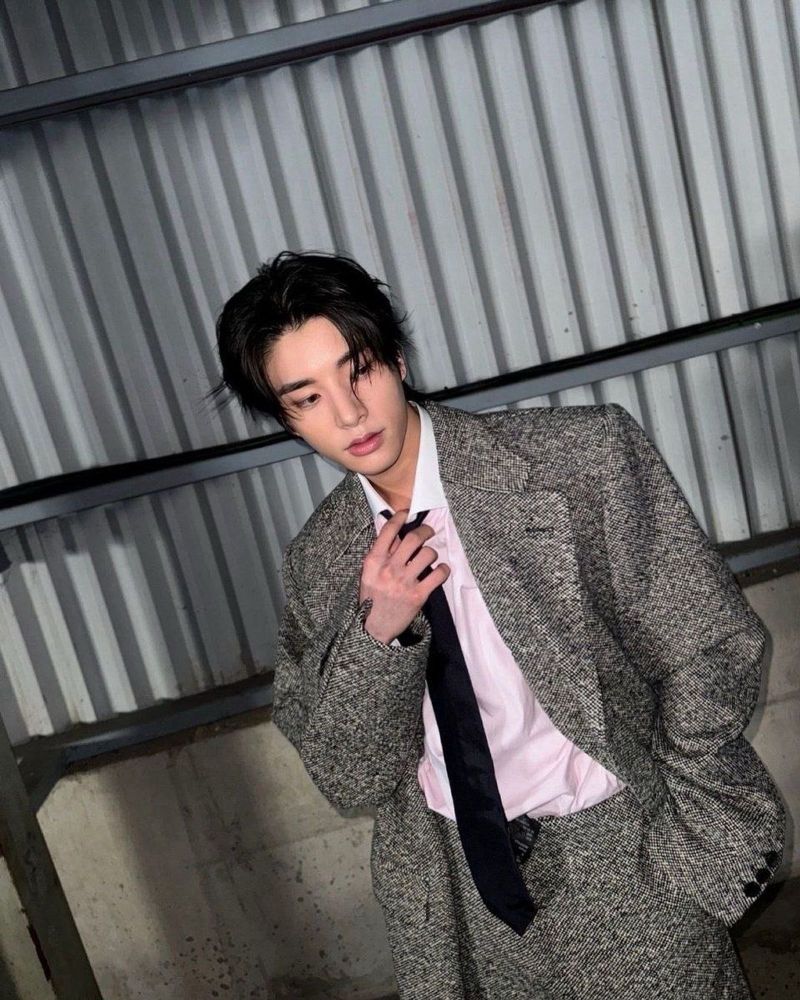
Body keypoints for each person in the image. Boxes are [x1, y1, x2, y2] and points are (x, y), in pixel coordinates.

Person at [211, 249, 785, 999]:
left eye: (359, 371)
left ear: (397, 359)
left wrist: (686, 840)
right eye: (308, 397)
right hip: (460, 895)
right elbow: (350, 776)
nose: (348, 414)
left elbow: (708, 642)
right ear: (286, 419)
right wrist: (379, 634)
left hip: (631, 862)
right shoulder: (319, 564)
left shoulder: (578, 459)